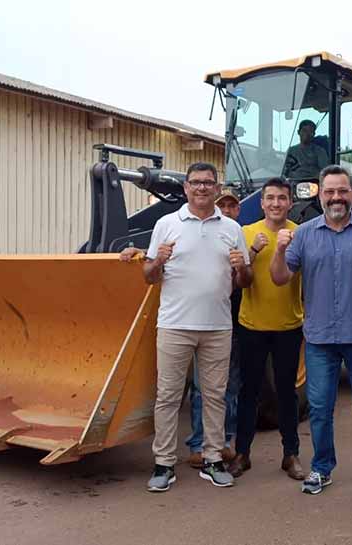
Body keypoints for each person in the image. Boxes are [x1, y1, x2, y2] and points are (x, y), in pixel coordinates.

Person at [270, 164, 352, 500]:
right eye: (329, 191)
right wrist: (280, 249)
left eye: (342, 191)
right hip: (319, 338)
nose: (336, 197)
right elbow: (280, 278)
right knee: (319, 407)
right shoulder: (304, 233)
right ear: (320, 194)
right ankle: (322, 467)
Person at [121, 162, 253, 492]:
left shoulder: (231, 228)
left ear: (216, 187)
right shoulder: (167, 224)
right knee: (167, 397)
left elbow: (245, 282)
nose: (202, 188)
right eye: (196, 182)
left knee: (214, 396)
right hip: (175, 324)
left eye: (208, 183)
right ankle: (164, 464)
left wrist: (241, 269)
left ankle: (212, 459)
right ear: (186, 188)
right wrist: (159, 260)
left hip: (218, 326)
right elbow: (149, 276)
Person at [228, 178, 306, 481]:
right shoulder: (245, 233)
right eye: (270, 198)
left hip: (289, 325)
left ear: (290, 202)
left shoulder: (300, 234)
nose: (276, 203)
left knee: (287, 394)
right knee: (248, 392)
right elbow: (239, 282)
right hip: (252, 325)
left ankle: (291, 455)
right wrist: (252, 252)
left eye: (282, 198)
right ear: (262, 203)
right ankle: (242, 454)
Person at [184, 188, 243, 467]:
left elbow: (248, 279)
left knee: (227, 387)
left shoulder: (236, 236)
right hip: (203, 323)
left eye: (232, 206)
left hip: (234, 324)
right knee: (200, 387)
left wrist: (244, 263)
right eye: (224, 205)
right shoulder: (198, 232)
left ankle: (224, 441)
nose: (228, 210)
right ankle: (199, 443)